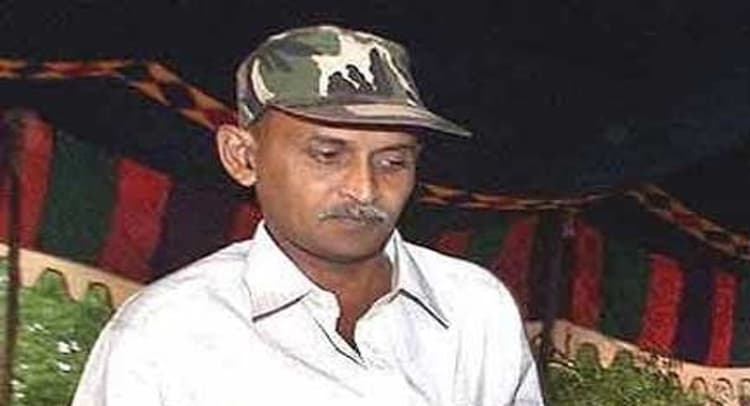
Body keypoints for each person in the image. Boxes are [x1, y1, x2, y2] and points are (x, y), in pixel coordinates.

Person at [72, 25, 544, 405]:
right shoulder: (165, 333)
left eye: (393, 161)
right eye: (327, 155)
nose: (364, 188)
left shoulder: (476, 309)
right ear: (242, 157)